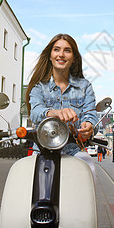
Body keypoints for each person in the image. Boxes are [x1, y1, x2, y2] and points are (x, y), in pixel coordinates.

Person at [26, 33, 98, 179]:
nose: (61, 54)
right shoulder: (38, 87)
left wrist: (89, 126)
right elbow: (35, 112)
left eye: (67, 50)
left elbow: (91, 116)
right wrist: (54, 113)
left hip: (73, 151)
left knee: (90, 169)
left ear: (73, 59)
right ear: (50, 56)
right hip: (42, 149)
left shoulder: (85, 86)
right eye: (56, 49)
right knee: (25, 177)